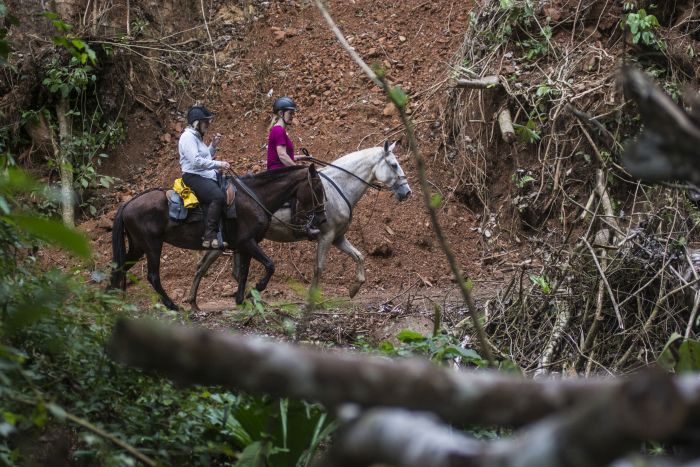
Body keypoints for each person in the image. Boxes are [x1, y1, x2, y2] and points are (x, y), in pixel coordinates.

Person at [179, 105, 230, 249]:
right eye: (205, 122)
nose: (207, 125)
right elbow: (196, 161)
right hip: (193, 176)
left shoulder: (196, 137)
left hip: (202, 174)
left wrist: (213, 145)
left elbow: (204, 155)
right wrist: (219, 164)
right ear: (196, 123)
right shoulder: (187, 137)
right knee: (218, 196)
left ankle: (220, 235)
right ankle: (209, 236)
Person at [267, 96, 298, 170]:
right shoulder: (278, 130)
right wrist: (298, 168)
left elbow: (282, 156)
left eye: (293, 114)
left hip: (280, 171)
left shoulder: (279, 129)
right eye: (290, 113)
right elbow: (282, 155)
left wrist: (302, 157)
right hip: (279, 173)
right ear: (281, 113)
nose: (292, 116)